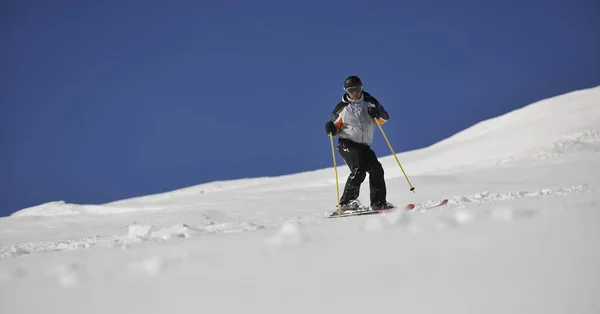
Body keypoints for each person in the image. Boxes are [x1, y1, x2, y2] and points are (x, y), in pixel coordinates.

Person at [325, 75, 395, 212]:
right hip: (347, 143)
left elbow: (384, 118)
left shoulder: (370, 101)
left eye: (358, 89)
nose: (355, 93)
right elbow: (334, 128)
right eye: (352, 90)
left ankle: (378, 202)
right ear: (346, 91)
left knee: (376, 170)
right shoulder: (342, 108)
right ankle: (346, 203)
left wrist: (376, 113)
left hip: (364, 146)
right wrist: (331, 129)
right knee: (359, 169)